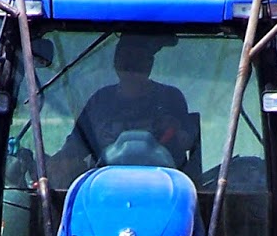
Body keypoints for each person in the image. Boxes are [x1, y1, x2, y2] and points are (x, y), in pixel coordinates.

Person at [50, 35, 192, 184]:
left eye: (139, 57)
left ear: (150, 63)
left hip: (166, 190)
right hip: (101, 192)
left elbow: (188, 143)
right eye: (126, 56)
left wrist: (176, 131)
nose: (132, 65)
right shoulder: (100, 101)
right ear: (116, 61)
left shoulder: (170, 99)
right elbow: (74, 150)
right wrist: (51, 169)